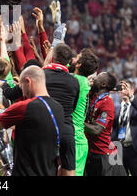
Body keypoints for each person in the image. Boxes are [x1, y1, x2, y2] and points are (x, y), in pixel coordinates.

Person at [43, 43, 79, 176]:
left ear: (53, 56)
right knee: (69, 168)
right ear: (69, 62)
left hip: (45, 128)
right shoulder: (74, 81)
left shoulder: (42, 75)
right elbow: (72, 107)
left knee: (43, 168)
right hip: (66, 129)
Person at [84, 72, 127, 176]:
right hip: (91, 151)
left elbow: (97, 129)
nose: (94, 78)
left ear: (103, 84)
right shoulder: (92, 95)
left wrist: (76, 122)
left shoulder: (107, 104)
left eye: (98, 77)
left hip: (103, 155)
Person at [69, 48, 99, 176]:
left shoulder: (76, 81)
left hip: (75, 139)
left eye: (76, 56)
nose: (73, 58)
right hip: (76, 138)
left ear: (79, 64)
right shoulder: (82, 81)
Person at [111, 80, 137, 176]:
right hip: (118, 149)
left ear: (132, 91)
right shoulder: (114, 109)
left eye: (126, 88)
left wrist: (131, 97)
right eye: (121, 89)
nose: (123, 91)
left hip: (135, 149)